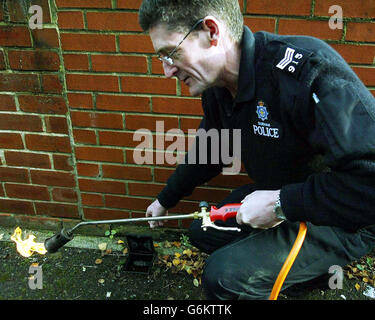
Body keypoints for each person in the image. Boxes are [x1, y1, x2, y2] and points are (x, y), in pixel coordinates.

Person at [139, 0, 375, 299]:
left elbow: (369, 183)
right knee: (201, 232)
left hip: (340, 217)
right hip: (281, 193)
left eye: (171, 53)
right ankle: (285, 272)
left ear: (211, 31)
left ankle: (304, 273)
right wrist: (166, 198)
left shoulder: (306, 71)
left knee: (222, 278)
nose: (167, 71)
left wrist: (280, 203)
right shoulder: (217, 88)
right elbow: (212, 150)